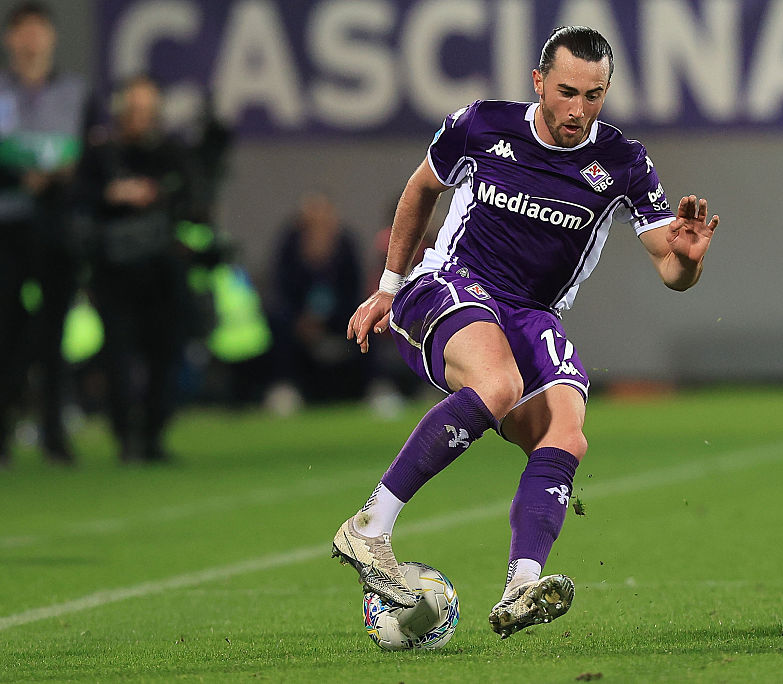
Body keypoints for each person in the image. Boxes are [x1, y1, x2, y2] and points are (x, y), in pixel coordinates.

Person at [334, 26, 719, 638]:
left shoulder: (622, 161)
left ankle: (521, 584)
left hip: (532, 312)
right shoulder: (482, 124)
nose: (578, 109)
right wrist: (386, 285)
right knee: (498, 384)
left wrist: (689, 258)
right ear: (538, 81)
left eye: (594, 96)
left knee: (567, 433)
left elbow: (669, 269)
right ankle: (371, 527)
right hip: (451, 283)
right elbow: (421, 190)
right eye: (566, 92)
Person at [75, 75, 201, 462]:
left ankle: (153, 434)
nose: (140, 117)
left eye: (147, 110)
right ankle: (125, 436)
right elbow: (80, 198)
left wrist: (157, 192)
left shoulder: (170, 152)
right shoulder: (101, 153)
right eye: (134, 109)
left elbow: (193, 195)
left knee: (165, 352)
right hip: (113, 268)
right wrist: (113, 194)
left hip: (161, 268)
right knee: (117, 354)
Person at [0, 2, 91, 466]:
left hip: (56, 228)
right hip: (7, 225)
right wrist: (21, 174)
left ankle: (54, 433)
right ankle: (5, 434)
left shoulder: (75, 92)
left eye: (38, 31)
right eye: (23, 32)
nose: (31, 40)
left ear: (50, 38)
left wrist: (61, 176)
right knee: (6, 332)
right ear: (10, 39)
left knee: (52, 335)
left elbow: (90, 157)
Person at [264, 191, 368, 410]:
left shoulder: (346, 245)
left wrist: (328, 319)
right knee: (277, 323)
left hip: (339, 319)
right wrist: (303, 321)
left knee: (368, 322)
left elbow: (353, 289)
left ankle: (375, 388)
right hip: (297, 320)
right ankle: (284, 388)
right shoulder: (289, 246)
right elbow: (281, 288)